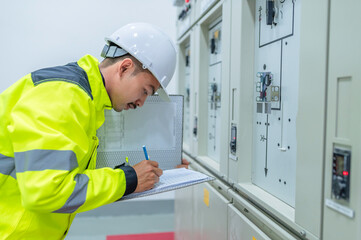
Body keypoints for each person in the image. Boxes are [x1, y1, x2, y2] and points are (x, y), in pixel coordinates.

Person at [0, 22, 188, 239]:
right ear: (124, 67)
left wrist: (164, 165)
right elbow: (45, 192)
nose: (142, 103)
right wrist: (128, 180)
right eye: (145, 91)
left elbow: (66, 167)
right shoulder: (65, 96)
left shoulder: (88, 100)